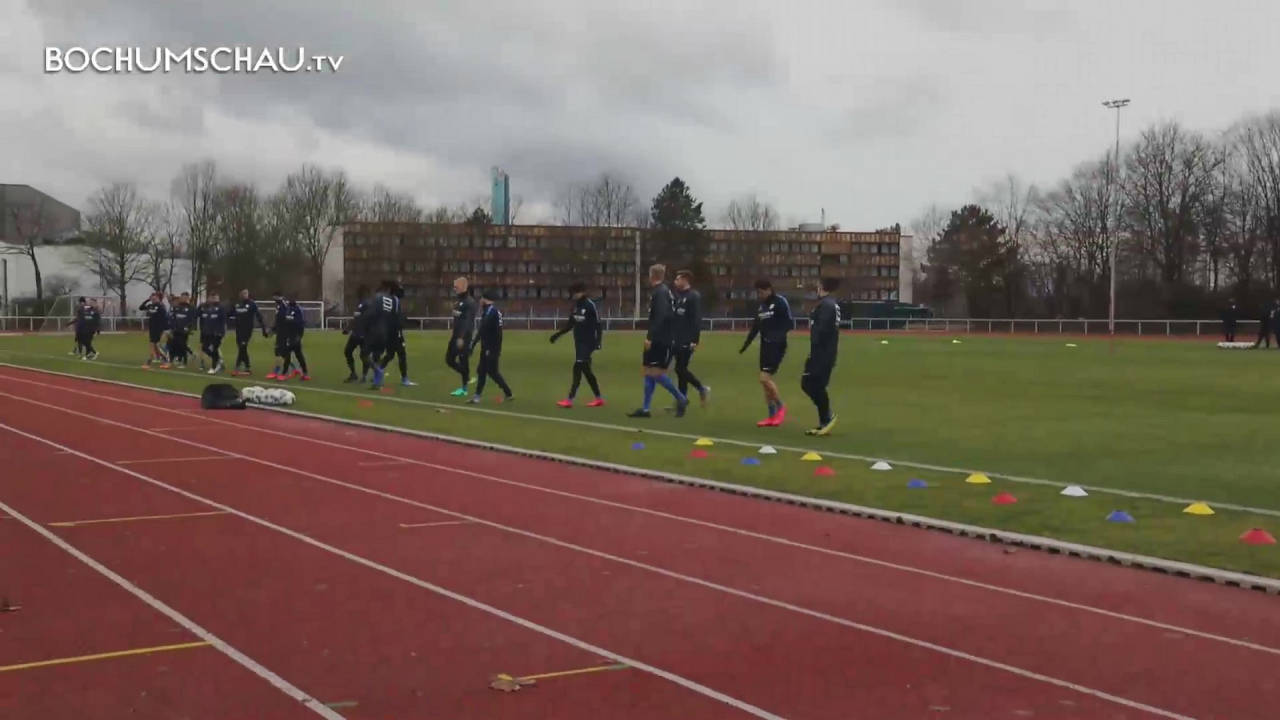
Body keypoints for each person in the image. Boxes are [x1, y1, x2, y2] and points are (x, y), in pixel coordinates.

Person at [628, 264, 688, 418]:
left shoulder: (660, 292)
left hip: (661, 340)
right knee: (648, 372)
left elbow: (661, 317)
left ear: (651, 275)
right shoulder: (663, 291)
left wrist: (650, 337)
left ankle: (681, 398)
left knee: (656, 373)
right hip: (660, 338)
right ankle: (645, 409)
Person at [740, 278, 793, 427]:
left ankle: (781, 407)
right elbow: (755, 327)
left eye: (761, 292)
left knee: (764, 379)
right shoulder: (761, 307)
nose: (759, 295)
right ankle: (771, 416)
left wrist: (776, 337)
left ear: (769, 289)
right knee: (765, 383)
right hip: (765, 346)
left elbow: (789, 323)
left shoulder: (780, 302)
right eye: (758, 292)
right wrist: (746, 345)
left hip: (777, 346)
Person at [551, 282, 605, 408]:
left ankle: (569, 399)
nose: (574, 295)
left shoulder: (590, 305)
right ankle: (599, 398)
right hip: (579, 343)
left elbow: (598, 325)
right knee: (586, 371)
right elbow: (570, 324)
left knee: (577, 368)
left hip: (589, 343)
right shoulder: (576, 306)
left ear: (582, 292)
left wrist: (598, 342)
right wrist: (557, 335)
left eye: (576, 293)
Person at [801, 278, 842, 436]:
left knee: (809, 383)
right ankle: (824, 421)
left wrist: (815, 347)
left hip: (822, 354)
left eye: (818, 286)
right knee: (815, 385)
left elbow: (821, 330)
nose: (816, 289)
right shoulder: (830, 304)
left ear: (822, 287)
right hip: (825, 353)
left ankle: (827, 417)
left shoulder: (826, 305)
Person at [672, 269, 709, 408]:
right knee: (680, 371)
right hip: (677, 338)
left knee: (680, 369)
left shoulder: (693, 296)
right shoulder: (678, 296)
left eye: (678, 279)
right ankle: (682, 400)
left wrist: (695, 340)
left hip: (687, 339)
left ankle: (701, 388)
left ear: (685, 280)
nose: (675, 282)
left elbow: (696, 319)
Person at [469, 289, 514, 404]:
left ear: (485, 299)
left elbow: (490, 332)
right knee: (482, 371)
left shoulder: (492, 312)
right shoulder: (489, 311)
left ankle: (508, 393)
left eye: (481, 298)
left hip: (491, 348)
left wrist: (492, 349)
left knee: (492, 372)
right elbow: (483, 330)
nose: (479, 300)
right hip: (487, 347)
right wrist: (474, 345)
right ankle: (477, 396)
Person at [362, 280, 398, 390]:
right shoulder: (392, 300)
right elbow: (394, 317)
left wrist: (364, 325)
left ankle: (378, 371)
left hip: (375, 331)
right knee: (377, 356)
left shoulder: (377, 298)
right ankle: (377, 383)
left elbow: (370, 314)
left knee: (364, 354)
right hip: (385, 332)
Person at [379, 282, 416, 386]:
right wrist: (405, 322)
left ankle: (377, 371)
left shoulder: (387, 300)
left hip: (388, 332)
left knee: (390, 355)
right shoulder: (395, 300)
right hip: (396, 332)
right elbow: (396, 317)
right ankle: (405, 379)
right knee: (402, 355)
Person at [268, 293, 310, 381]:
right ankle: (284, 374)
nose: (291, 300)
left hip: (296, 336)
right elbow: (283, 322)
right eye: (290, 299)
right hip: (288, 336)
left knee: (299, 355)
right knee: (287, 355)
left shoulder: (298, 310)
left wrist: (299, 336)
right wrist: (275, 330)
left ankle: (305, 373)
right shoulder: (287, 309)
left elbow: (301, 324)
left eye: (292, 299)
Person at [446, 276, 477, 396]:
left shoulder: (470, 303)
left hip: (464, 337)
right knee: (449, 360)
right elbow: (457, 320)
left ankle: (464, 389)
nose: (454, 289)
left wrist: (461, 337)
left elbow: (467, 322)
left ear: (464, 287)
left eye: (456, 286)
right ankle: (467, 376)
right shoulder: (458, 302)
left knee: (463, 360)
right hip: (455, 336)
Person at [230, 289, 267, 376]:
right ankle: (247, 367)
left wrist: (263, 328)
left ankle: (238, 366)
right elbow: (231, 314)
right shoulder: (237, 304)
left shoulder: (252, 304)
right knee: (241, 348)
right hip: (238, 330)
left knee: (243, 347)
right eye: (243, 293)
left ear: (248, 294)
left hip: (247, 330)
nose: (244, 295)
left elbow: (258, 315)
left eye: (246, 293)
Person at [342, 285, 372, 383]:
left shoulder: (365, 304)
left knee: (362, 355)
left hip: (362, 334)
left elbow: (362, 319)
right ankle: (357, 375)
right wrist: (348, 328)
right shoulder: (362, 304)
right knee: (350, 352)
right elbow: (357, 318)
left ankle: (362, 375)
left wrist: (348, 328)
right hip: (358, 333)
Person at [198, 292, 229, 374]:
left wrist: (223, 334)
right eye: (212, 298)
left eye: (215, 298)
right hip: (208, 333)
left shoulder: (221, 308)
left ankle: (214, 367)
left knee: (214, 349)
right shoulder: (209, 308)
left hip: (217, 333)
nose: (214, 299)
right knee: (204, 348)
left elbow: (224, 322)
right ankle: (220, 361)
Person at [139, 291, 169, 368]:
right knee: (154, 345)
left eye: (154, 298)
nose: (153, 299)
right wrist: (147, 300)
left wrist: (165, 329)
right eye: (152, 298)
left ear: (158, 298)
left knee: (155, 345)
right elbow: (141, 307)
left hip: (159, 328)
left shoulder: (161, 306)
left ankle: (152, 361)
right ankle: (162, 359)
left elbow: (165, 318)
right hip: (152, 328)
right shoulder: (150, 306)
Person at [168, 292, 197, 368]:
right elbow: (173, 318)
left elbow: (193, 320)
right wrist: (172, 327)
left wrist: (189, 328)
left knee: (182, 345)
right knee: (172, 345)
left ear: (187, 298)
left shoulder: (191, 308)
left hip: (184, 331)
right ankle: (171, 361)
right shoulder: (177, 307)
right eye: (182, 297)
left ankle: (184, 362)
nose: (183, 299)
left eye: (184, 297)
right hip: (176, 330)